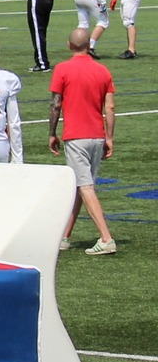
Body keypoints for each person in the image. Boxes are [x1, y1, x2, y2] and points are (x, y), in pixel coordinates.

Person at [48, 28, 117, 255]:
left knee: (84, 187)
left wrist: (52, 133)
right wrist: (109, 137)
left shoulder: (62, 69)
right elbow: (110, 107)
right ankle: (65, 235)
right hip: (96, 135)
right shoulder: (103, 70)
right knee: (82, 185)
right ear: (89, 45)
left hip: (76, 135)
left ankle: (106, 238)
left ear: (69, 45)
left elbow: (55, 104)